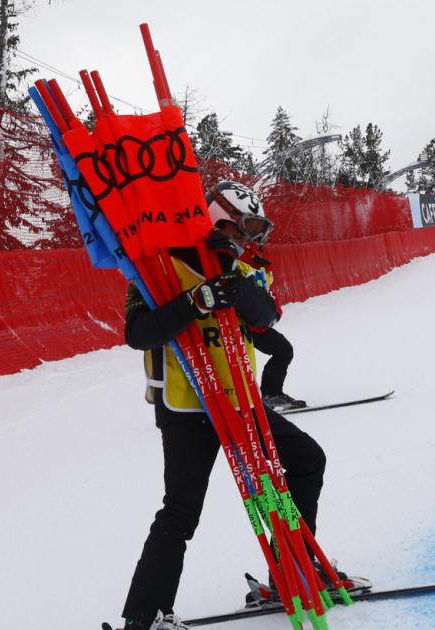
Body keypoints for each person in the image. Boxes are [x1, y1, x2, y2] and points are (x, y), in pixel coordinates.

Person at [118, 181, 327, 630]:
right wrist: (194, 301)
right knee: (180, 511)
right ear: (216, 216)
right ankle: (145, 616)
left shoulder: (239, 263)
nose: (247, 239)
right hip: (188, 407)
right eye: (242, 227)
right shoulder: (160, 264)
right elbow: (138, 332)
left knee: (307, 460)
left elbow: (265, 316)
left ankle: (291, 571)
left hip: (238, 399)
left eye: (253, 231)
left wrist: (229, 268)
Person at [244, 247, 307, 411]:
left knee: (283, 350)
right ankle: (268, 396)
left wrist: (273, 314)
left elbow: (265, 292)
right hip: (246, 325)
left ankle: (270, 395)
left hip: (255, 324)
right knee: (282, 350)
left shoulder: (255, 256)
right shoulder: (243, 256)